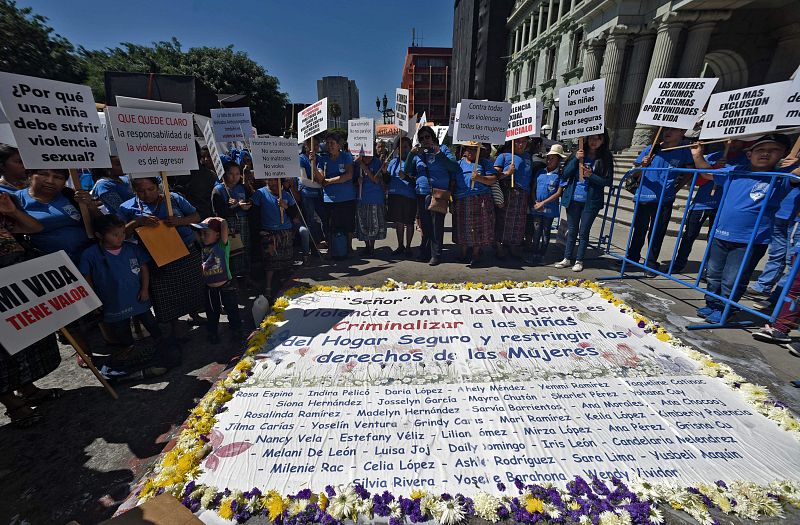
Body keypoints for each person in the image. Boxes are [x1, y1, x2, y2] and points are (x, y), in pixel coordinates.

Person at [693, 134, 800, 324]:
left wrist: (794, 159)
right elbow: (707, 174)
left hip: (750, 240)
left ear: (782, 155)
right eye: (760, 150)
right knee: (714, 273)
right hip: (720, 234)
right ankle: (712, 304)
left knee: (732, 279)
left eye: (772, 150)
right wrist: (697, 156)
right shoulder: (735, 171)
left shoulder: (780, 178)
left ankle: (727, 308)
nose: (765, 154)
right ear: (749, 154)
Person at [0, 191, 61, 428]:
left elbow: (34, 228)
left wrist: (12, 211)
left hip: (16, 281)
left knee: (24, 340)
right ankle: (14, 406)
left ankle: (29, 389)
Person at [118, 177, 204, 334]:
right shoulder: (127, 207)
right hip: (156, 257)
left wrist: (179, 221)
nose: (147, 194)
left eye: (150, 189)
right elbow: (120, 234)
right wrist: (137, 222)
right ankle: (175, 326)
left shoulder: (173, 199)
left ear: (157, 186)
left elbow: (196, 216)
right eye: (141, 191)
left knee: (193, 287)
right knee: (167, 295)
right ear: (134, 191)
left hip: (186, 251)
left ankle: (194, 314)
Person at [79, 214, 162, 353]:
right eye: (114, 234)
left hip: (137, 295)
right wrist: (93, 299)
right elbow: (86, 277)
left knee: (149, 320)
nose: (121, 237)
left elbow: (144, 268)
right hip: (112, 300)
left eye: (123, 233)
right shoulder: (90, 255)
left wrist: (145, 290)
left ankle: (160, 341)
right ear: (99, 235)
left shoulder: (132, 249)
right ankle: (129, 348)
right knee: (120, 327)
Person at [673, 140, 748, 274]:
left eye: (738, 140)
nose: (733, 143)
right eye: (731, 140)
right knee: (689, 235)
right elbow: (698, 180)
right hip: (701, 203)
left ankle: (708, 269)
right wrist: (714, 169)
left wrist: (725, 171)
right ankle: (678, 264)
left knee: (713, 240)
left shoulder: (746, 160)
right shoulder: (711, 156)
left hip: (722, 205)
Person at [626, 127, 694, 270]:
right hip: (644, 196)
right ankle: (632, 258)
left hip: (664, 199)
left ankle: (650, 262)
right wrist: (643, 166)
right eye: (666, 129)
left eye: (673, 130)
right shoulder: (652, 149)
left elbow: (690, 171)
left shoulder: (684, 151)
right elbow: (635, 174)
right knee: (639, 230)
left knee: (657, 232)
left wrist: (676, 188)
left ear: (682, 133)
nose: (667, 132)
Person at [555, 132, 615, 271]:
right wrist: (576, 159)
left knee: (583, 231)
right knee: (572, 230)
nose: (594, 142)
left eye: (597, 139)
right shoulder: (579, 153)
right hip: (573, 199)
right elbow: (564, 174)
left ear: (603, 141)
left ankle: (579, 260)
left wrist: (591, 175)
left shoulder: (605, 158)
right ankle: (567, 258)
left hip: (591, 201)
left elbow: (607, 181)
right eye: (591, 138)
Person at [16, 168, 100, 264]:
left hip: (89, 260)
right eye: (44, 174)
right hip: (51, 266)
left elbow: (101, 223)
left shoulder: (70, 195)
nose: (50, 181)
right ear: (30, 175)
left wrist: (90, 206)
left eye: (58, 177)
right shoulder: (15, 201)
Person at [404, 126, 460, 265]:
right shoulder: (418, 154)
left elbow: (454, 167)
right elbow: (407, 170)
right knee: (426, 226)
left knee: (437, 225)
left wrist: (439, 154)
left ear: (433, 137)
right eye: (421, 138)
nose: (424, 140)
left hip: (438, 193)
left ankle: (436, 254)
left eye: (427, 137)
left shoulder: (443, 149)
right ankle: (426, 252)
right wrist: (411, 154)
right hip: (422, 193)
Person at [251, 178, 306, 298]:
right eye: (270, 180)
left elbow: (295, 215)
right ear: (266, 180)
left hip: (285, 232)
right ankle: (268, 288)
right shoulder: (259, 194)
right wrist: (259, 231)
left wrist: (285, 206)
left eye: (276, 181)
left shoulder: (286, 195)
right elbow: (254, 215)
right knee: (270, 263)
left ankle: (284, 285)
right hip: (269, 233)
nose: (274, 183)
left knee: (286, 262)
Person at [191, 217, 242, 344]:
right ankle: (212, 333)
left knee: (232, 310)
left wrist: (220, 220)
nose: (202, 236)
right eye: (201, 234)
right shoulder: (202, 246)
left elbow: (224, 225)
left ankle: (236, 331)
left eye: (206, 233)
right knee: (212, 313)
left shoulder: (222, 245)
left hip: (226, 286)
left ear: (217, 234)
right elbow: (194, 231)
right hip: (209, 288)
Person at [311, 133, 355, 258]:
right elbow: (320, 179)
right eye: (327, 143)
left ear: (338, 145)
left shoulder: (346, 157)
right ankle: (332, 249)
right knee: (330, 226)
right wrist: (313, 164)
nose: (329, 146)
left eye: (332, 143)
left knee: (348, 225)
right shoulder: (323, 159)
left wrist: (329, 181)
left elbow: (349, 175)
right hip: (329, 199)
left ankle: (349, 248)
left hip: (347, 197)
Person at [454, 142, 497, 267]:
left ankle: (476, 253)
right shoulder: (459, 164)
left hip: (480, 199)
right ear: (465, 151)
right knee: (463, 227)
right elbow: (453, 182)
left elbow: (493, 179)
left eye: (475, 149)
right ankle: (462, 252)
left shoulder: (484, 163)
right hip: (462, 199)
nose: (472, 152)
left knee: (479, 228)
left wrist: (479, 178)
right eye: (470, 149)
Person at [494, 137, 534, 259]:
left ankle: (513, 246)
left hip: (523, 194)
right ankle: (499, 247)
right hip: (508, 192)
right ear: (512, 142)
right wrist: (507, 173)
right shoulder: (504, 156)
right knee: (503, 220)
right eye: (517, 141)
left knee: (518, 222)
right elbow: (494, 176)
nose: (520, 144)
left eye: (523, 142)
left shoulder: (528, 157)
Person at [212, 162, 253, 279]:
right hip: (228, 226)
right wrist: (236, 207)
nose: (234, 177)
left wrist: (248, 205)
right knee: (232, 253)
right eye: (231, 174)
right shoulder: (218, 190)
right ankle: (233, 281)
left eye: (237, 174)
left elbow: (250, 201)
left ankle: (247, 278)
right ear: (224, 174)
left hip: (243, 223)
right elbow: (218, 213)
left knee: (246, 250)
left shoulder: (242, 187)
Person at [530, 148, 566, 263]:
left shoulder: (559, 175)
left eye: (552, 159)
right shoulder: (540, 172)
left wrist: (543, 203)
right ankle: (534, 253)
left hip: (549, 208)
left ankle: (542, 255)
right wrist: (535, 201)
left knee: (546, 231)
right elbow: (533, 188)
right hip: (537, 207)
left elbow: (558, 193)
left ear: (558, 160)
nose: (549, 161)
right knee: (536, 232)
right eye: (548, 158)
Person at [386, 136, 416, 256]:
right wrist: (384, 172)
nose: (403, 149)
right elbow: (387, 180)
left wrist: (406, 177)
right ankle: (400, 246)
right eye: (400, 147)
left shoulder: (414, 161)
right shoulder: (393, 162)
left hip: (409, 196)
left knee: (409, 222)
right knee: (398, 222)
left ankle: (408, 247)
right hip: (395, 195)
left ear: (410, 148)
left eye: (405, 147)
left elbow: (418, 179)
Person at [174, 144, 220, 220]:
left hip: (203, 221)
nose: (206, 159)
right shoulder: (178, 174)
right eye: (203, 157)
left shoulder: (210, 175)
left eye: (209, 156)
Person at [355, 154, 386, 255]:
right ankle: (367, 246)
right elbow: (353, 179)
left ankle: (372, 247)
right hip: (361, 197)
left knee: (374, 223)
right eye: (365, 156)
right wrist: (358, 182)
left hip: (375, 197)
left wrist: (365, 168)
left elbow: (376, 180)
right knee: (363, 223)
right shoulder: (357, 162)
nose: (367, 158)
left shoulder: (377, 162)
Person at [299, 139, 327, 246]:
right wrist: (319, 182)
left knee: (324, 217)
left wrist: (319, 180)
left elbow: (322, 177)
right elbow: (304, 180)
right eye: (312, 145)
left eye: (316, 144)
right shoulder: (301, 158)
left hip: (319, 194)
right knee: (309, 220)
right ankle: (312, 246)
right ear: (306, 146)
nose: (315, 147)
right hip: (307, 195)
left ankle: (326, 241)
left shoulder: (319, 158)